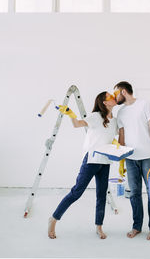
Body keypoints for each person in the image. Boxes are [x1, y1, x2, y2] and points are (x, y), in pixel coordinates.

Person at [48, 91, 118, 240]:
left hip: (105, 162)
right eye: (110, 97)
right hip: (91, 160)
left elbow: (110, 137)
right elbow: (77, 124)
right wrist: (71, 114)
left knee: (101, 195)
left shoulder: (115, 120)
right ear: (105, 102)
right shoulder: (95, 116)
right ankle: (53, 219)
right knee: (76, 192)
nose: (113, 97)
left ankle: (99, 226)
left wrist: (117, 145)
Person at [114, 81, 150, 241]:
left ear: (123, 91)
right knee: (134, 194)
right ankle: (137, 226)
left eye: (116, 93)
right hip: (130, 158)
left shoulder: (144, 104)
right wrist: (121, 160)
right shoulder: (120, 112)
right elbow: (121, 137)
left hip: (148, 156)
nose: (115, 97)